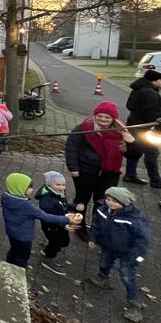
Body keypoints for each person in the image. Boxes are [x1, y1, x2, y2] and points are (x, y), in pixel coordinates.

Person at [65, 101, 135, 239]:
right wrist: (73, 167)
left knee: (103, 202)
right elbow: (71, 146)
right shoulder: (85, 128)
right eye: (100, 116)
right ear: (95, 115)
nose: (103, 119)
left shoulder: (122, 131)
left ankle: (98, 227)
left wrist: (131, 143)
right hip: (86, 170)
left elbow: (133, 155)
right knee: (82, 200)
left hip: (110, 173)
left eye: (107, 117)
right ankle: (80, 227)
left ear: (113, 118)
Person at [87, 187, 151, 323]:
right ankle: (102, 278)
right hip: (108, 246)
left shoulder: (134, 219)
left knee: (127, 275)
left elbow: (142, 240)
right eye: (108, 199)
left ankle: (134, 303)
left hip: (128, 253)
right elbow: (96, 224)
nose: (110, 203)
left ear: (124, 203)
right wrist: (92, 237)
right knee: (104, 262)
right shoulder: (102, 210)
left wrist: (137, 257)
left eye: (115, 201)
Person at [1, 173, 75, 269]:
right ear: (20, 188)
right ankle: (19, 270)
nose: (32, 189)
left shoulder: (5, 197)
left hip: (11, 232)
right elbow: (45, 216)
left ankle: (9, 264)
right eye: (29, 187)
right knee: (22, 256)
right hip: (24, 237)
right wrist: (66, 219)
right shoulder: (26, 206)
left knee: (14, 249)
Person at [35, 171, 82, 275]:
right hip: (52, 227)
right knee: (57, 242)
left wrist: (74, 207)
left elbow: (63, 205)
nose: (62, 187)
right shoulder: (47, 200)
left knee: (62, 241)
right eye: (58, 185)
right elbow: (51, 217)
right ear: (49, 184)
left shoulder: (58, 193)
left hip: (61, 223)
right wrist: (65, 222)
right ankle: (48, 259)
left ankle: (47, 250)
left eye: (63, 185)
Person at [123, 70, 161, 187]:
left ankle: (130, 175)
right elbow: (152, 113)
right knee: (152, 152)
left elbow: (129, 105)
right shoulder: (149, 92)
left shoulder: (138, 88)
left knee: (135, 150)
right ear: (154, 80)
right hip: (144, 128)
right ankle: (155, 181)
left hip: (134, 124)